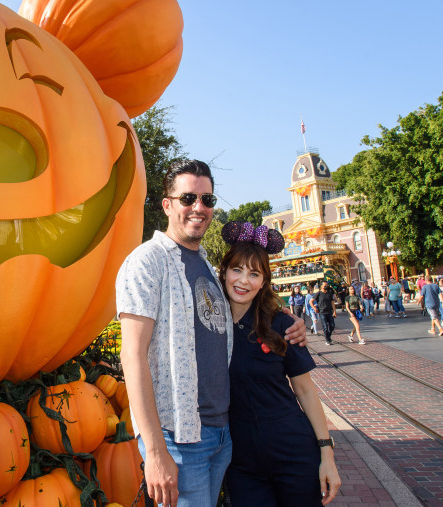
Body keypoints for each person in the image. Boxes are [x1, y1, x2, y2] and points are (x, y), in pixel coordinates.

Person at [116, 159, 307, 507]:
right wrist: (156, 451)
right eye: (188, 198)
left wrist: (286, 317)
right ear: (167, 204)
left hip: (222, 435)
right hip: (179, 438)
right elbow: (131, 355)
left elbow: (240, 306)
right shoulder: (148, 261)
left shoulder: (204, 264)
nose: (198, 208)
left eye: (208, 199)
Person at [219, 223, 340, 505]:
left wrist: (327, 454)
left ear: (264, 281)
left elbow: (306, 392)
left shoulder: (282, 324)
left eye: (254, 273)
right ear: (224, 272)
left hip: (293, 451)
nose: (244, 280)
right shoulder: (210, 326)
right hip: (242, 462)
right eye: (237, 269)